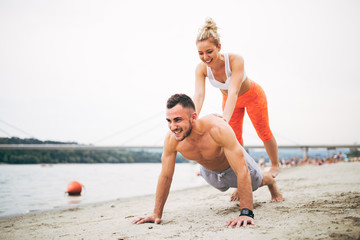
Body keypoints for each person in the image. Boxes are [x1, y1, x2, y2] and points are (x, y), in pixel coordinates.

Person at [132, 94, 283, 227]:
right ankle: (236, 186)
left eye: (177, 120)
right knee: (222, 186)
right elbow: (165, 176)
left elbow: (242, 170)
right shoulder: (172, 139)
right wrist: (156, 214)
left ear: (194, 117)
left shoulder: (217, 129)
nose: (173, 127)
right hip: (209, 173)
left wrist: (246, 213)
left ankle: (271, 183)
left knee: (257, 181)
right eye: (169, 121)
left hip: (234, 167)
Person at [194, 18, 280, 178]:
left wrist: (224, 118)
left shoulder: (235, 60)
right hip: (229, 101)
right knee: (235, 139)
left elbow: (233, 90)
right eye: (200, 53)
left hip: (253, 96)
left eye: (209, 51)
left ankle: (275, 165)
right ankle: (243, 174)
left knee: (263, 131)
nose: (205, 57)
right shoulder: (201, 69)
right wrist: (192, 118)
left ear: (218, 47)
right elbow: (199, 95)